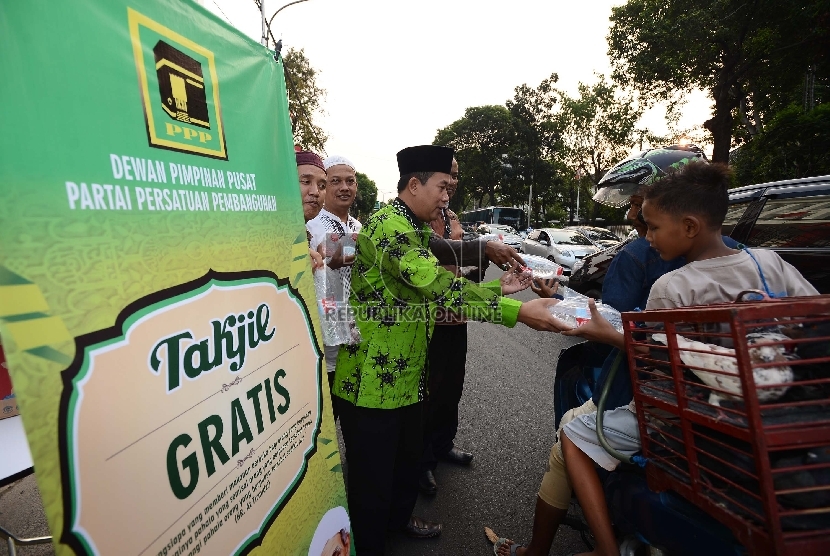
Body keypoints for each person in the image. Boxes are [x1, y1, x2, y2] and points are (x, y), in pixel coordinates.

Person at [556, 162, 817, 556]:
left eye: (655, 227)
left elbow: (660, 370)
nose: (648, 237)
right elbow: (814, 321)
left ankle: (606, 550)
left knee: (573, 437)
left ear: (690, 227)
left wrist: (613, 337)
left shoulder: (673, 286)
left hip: (700, 429)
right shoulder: (769, 264)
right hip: (785, 411)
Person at [330, 145, 562, 555]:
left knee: (405, 465)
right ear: (414, 185)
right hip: (371, 383)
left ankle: (398, 524)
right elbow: (435, 287)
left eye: (450, 188)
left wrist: (496, 288)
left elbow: (428, 289)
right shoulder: (389, 227)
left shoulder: (415, 225)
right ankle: (370, 544)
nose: (446, 196)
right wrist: (518, 311)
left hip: (406, 375)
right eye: (442, 186)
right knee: (372, 481)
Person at [420, 157, 523, 494]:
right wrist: (478, 251)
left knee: (452, 385)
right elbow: (436, 255)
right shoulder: (417, 221)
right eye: (445, 176)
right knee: (427, 392)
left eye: (455, 177)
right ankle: (421, 463)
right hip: (426, 319)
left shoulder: (452, 218)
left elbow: (458, 266)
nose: (451, 183)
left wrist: (478, 270)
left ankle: (443, 445)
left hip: (457, 315)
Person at [306, 155, 362, 417]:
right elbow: (327, 256)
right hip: (321, 323)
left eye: (350, 181)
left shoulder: (357, 225)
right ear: (325, 187)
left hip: (351, 325)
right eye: (335, 181)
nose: (344, 187)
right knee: (323, 402)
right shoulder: (309, 224)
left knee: (347, 402)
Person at [297, 150, 327, 269]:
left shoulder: (311, 238)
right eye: (306, 181)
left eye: (322, 186)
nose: (315, 192)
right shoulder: (264, 234)